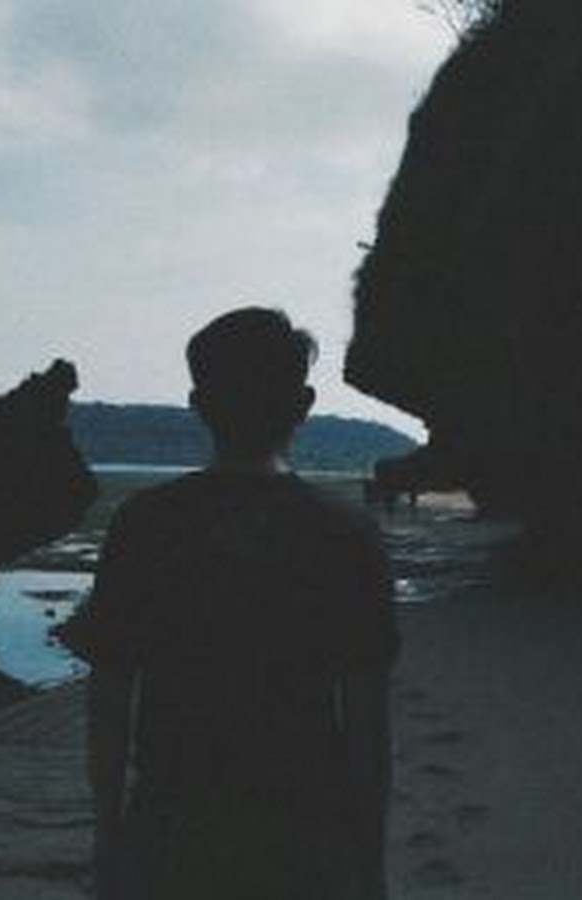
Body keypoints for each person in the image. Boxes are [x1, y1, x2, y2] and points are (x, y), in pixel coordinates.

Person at [81, 308, 399, 900]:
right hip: (305, 831)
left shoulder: (145, 525)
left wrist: (108, 835)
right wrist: (369, 860)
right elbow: (366, 721)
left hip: (174, 826)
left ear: (199, 405)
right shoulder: (346, 535)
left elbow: (110, 699)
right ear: (303, 406)